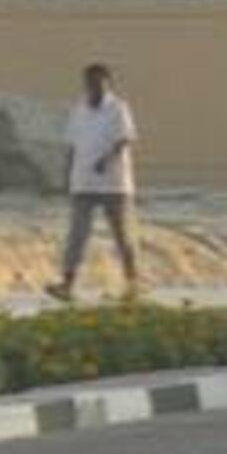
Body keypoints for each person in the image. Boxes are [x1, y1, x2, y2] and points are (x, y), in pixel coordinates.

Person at [49, 62, 140, 301]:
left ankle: (132, 283)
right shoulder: (79, 109)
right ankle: (67, 284)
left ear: (108, 83)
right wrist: (67, 176)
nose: (95, 86)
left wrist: (106, 159)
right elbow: (72, 146)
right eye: (90, 82)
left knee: (123, 236)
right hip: (83, 183)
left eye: (100, 82)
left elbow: (124, 140)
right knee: (76, 235)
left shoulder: (118, 108)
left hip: (114, 184)